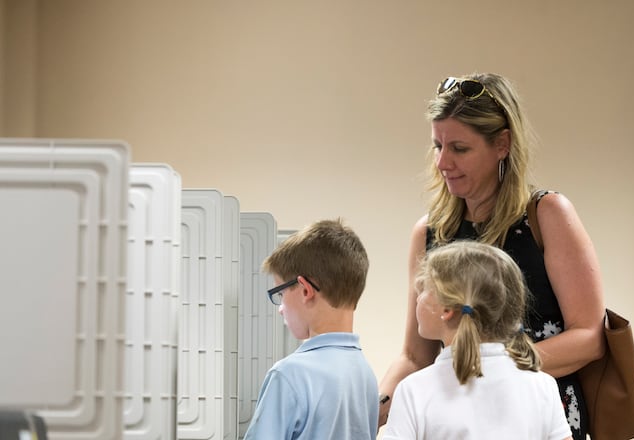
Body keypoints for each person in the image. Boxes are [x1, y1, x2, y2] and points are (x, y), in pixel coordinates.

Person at [378, 73, 606, 440]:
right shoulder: (428, 233)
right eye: (438, 146)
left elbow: (590, 337)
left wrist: (495, 375)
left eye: (459, 148)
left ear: (502, 144)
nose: (442, 162)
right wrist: (369, 412)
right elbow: (414, 357)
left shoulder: (546, 215)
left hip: (539, 415)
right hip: (455, 413)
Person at [381, 241, 572, 440]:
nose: (418, 299)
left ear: (447, 310)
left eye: (425, 290)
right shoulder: (542, 386)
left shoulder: (415, 390)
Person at [243, 218, 379, 440]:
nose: (281, 309)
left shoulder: (288, 375)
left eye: (280, 294)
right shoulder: (365, 374)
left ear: (305, 290)